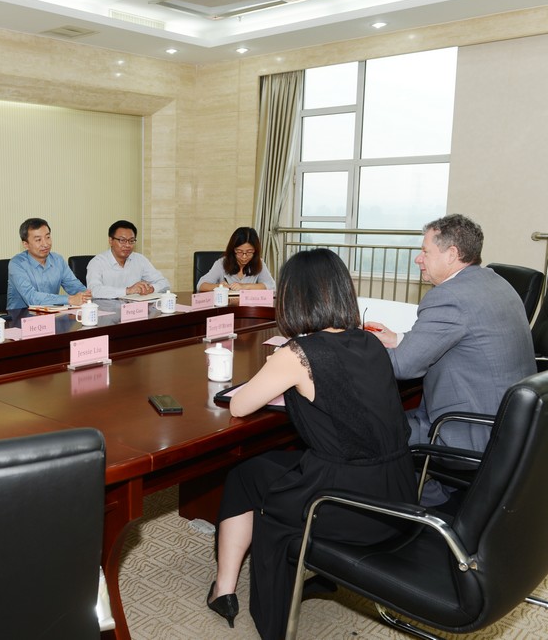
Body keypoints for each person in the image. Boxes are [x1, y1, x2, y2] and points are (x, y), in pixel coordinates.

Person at [208, 248, 415, 640]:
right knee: (257, 469)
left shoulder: (298, 354)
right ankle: (247, 584)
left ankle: (225, 589)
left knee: (244, 474)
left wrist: (281, 360)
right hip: (397, 493)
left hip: (342, 503)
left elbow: (239, 405)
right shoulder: (370, 342)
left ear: (292, 298)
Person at [365, 214, 536, 501]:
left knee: (367, 428)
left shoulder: (449, 296)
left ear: (452, 254)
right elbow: (462, 336)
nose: (418, 259)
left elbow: (402, 366)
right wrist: (400, 339)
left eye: (425, 251)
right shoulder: (496, 282)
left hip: (467, 433)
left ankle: (399, 502)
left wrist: (353, 350)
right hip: (509, 427)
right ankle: (432, 492)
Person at [6, 217, 91, 310]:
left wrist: (85, 295)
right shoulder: (17, 264)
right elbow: (31, 297)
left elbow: (75, 286)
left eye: (48, 237)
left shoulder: (57, 260)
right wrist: (69, 299)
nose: (45, 244)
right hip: (21, 316)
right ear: (26, 244)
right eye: (38, 240)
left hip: (51, 314)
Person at [85, 220, 170, 298]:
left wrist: (151, 288)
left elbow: (165, 283)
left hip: (135, 308)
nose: (127, 245)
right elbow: (94, 290)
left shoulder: (140, 259)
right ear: (111, 240)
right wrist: (128, 291)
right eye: (122, 240)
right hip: (107, 308)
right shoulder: (97, 262)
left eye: (131, 241)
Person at [197, 227, 275, 292]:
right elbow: (201, 285)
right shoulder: (222, 263)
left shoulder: (259, 263)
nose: (244, 256)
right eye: (239, 252)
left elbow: (272, 286)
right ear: (233, 250)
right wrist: (219, 286)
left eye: (249, 252)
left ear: (255, 251)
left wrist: (245, 286)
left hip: (249, 305)